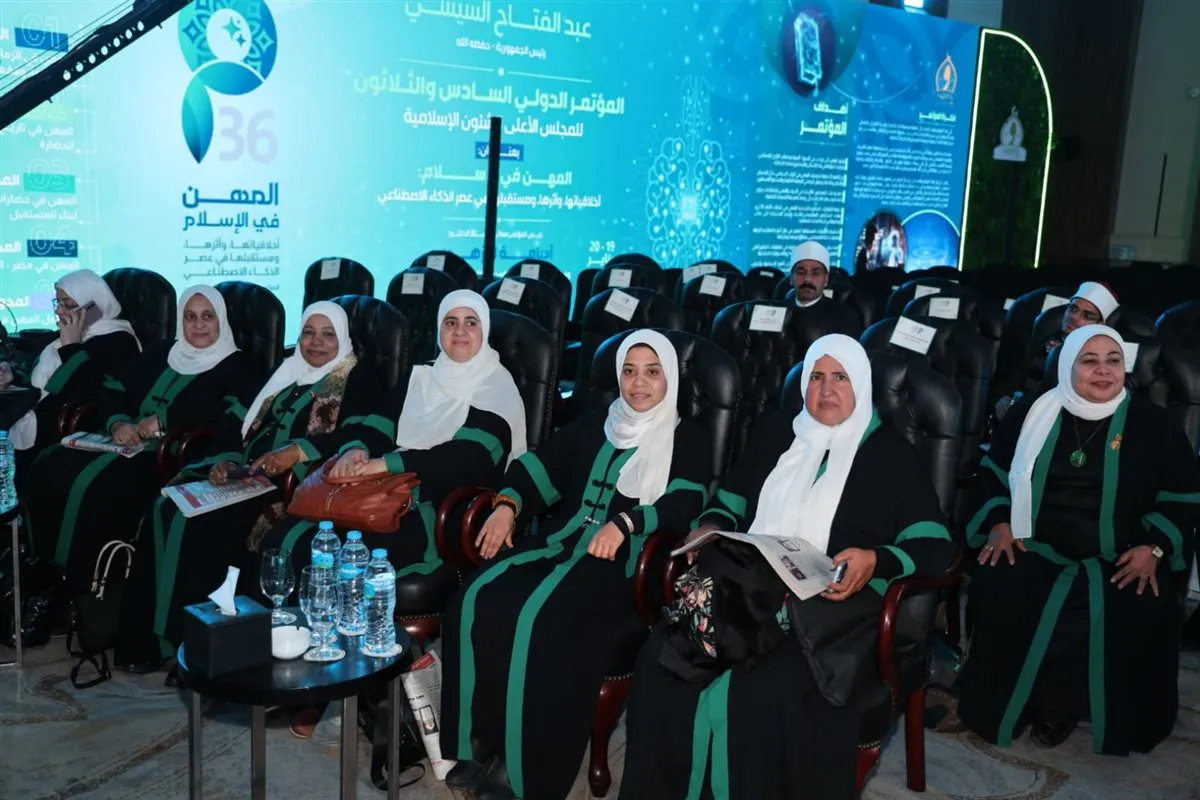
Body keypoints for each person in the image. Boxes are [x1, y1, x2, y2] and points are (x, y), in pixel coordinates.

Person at [619, 334, 954, 800]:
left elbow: (935, 544)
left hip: (833, 611)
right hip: (749, 586)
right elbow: (731, 499)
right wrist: (709, 526)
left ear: (861, 386)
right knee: (663, 657)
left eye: (840, 378)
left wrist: (878, 559)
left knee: (757, 692)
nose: (826, 390)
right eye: (816, 377)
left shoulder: (891, 453)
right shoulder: (780, 431)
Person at [439, 330, 712, 800]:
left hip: (625, 568)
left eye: (652, 372)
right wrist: (507, 506)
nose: (638, 383)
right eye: (629, 371)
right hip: (560, 544)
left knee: (538, 620)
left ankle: (524, 767)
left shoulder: (686, 436)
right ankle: (480, 739)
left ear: (670, 379)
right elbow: (540, 468)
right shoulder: (598, 423)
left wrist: (627, 522)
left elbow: (685, 501)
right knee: (475, 598)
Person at [954, 325, 1200, 754]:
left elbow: (1182, 497)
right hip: (1034, 546)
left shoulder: (1154, 424)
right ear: (1068, 367)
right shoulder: (1033, 412)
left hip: (1121, 555)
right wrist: (998, 522)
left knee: (1133, 605)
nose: (1103, 371)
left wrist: (1155, 548)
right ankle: (1012, 702)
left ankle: (1061, 707)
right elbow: (992, 475)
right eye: (1090, 361)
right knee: (1002, 585)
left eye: (1113, 361)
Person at [113, 301, 383, 676]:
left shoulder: (358, 377)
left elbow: (362, 434)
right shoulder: (287, 370)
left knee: (210, 526)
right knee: (166, 508)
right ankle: (148, 641)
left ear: (344, 339)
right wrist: (225, 459)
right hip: (246, 475)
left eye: (328, 334)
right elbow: (237, 421)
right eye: (308, 333)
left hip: (294, 486)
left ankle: (202, 650)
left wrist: (297, 451)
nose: (316, 342)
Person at [257, 290, 528, 576]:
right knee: (284, 539)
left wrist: (386, 464)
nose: (459, 331)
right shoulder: (420, 375)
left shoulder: (497, 388)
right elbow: (379, 424)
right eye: (450, 322)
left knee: (348, 559)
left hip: (438, 502)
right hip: (382, 488)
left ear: (484, 331)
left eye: (471, 322)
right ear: (440, 330)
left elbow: (469, 458)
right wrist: (356, 450)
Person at [24, 286, 258, 591]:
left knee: (95, 486)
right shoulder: (162, 352)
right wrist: (118, 422)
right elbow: (115, 389)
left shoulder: (240, 366)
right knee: (50, 465)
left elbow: (230, 416)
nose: (198, 325)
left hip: (171, 457)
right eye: (190, 317)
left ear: (221, 320)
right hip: (125, 443)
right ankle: (41, 573)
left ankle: (82, 582)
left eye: (207, 316)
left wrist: (166, 420)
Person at [3, 269, 141, 469]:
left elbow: (93, 391)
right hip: (36, 422)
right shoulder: (66, 335)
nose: (59, 311)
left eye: (68, 304)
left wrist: (72, 347)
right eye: (58, 303)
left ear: (94, 306)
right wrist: (12, 377)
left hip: (66, 432)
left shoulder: (118, 341)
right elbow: (40, 379)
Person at [995, 281, 1121, 417]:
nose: (1074, 317)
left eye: (1087, 315)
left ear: (1100, 325)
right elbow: (1014, 380)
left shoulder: (1101, 362)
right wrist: (1005, 398)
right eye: (1073, 309)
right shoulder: (1044, 341)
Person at [787, 240, 862, 336]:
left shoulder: (845, 316)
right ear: (791, 278)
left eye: (816, 273)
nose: (807, 280)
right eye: (801, 273)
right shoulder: (777, 311)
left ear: (826, 280)